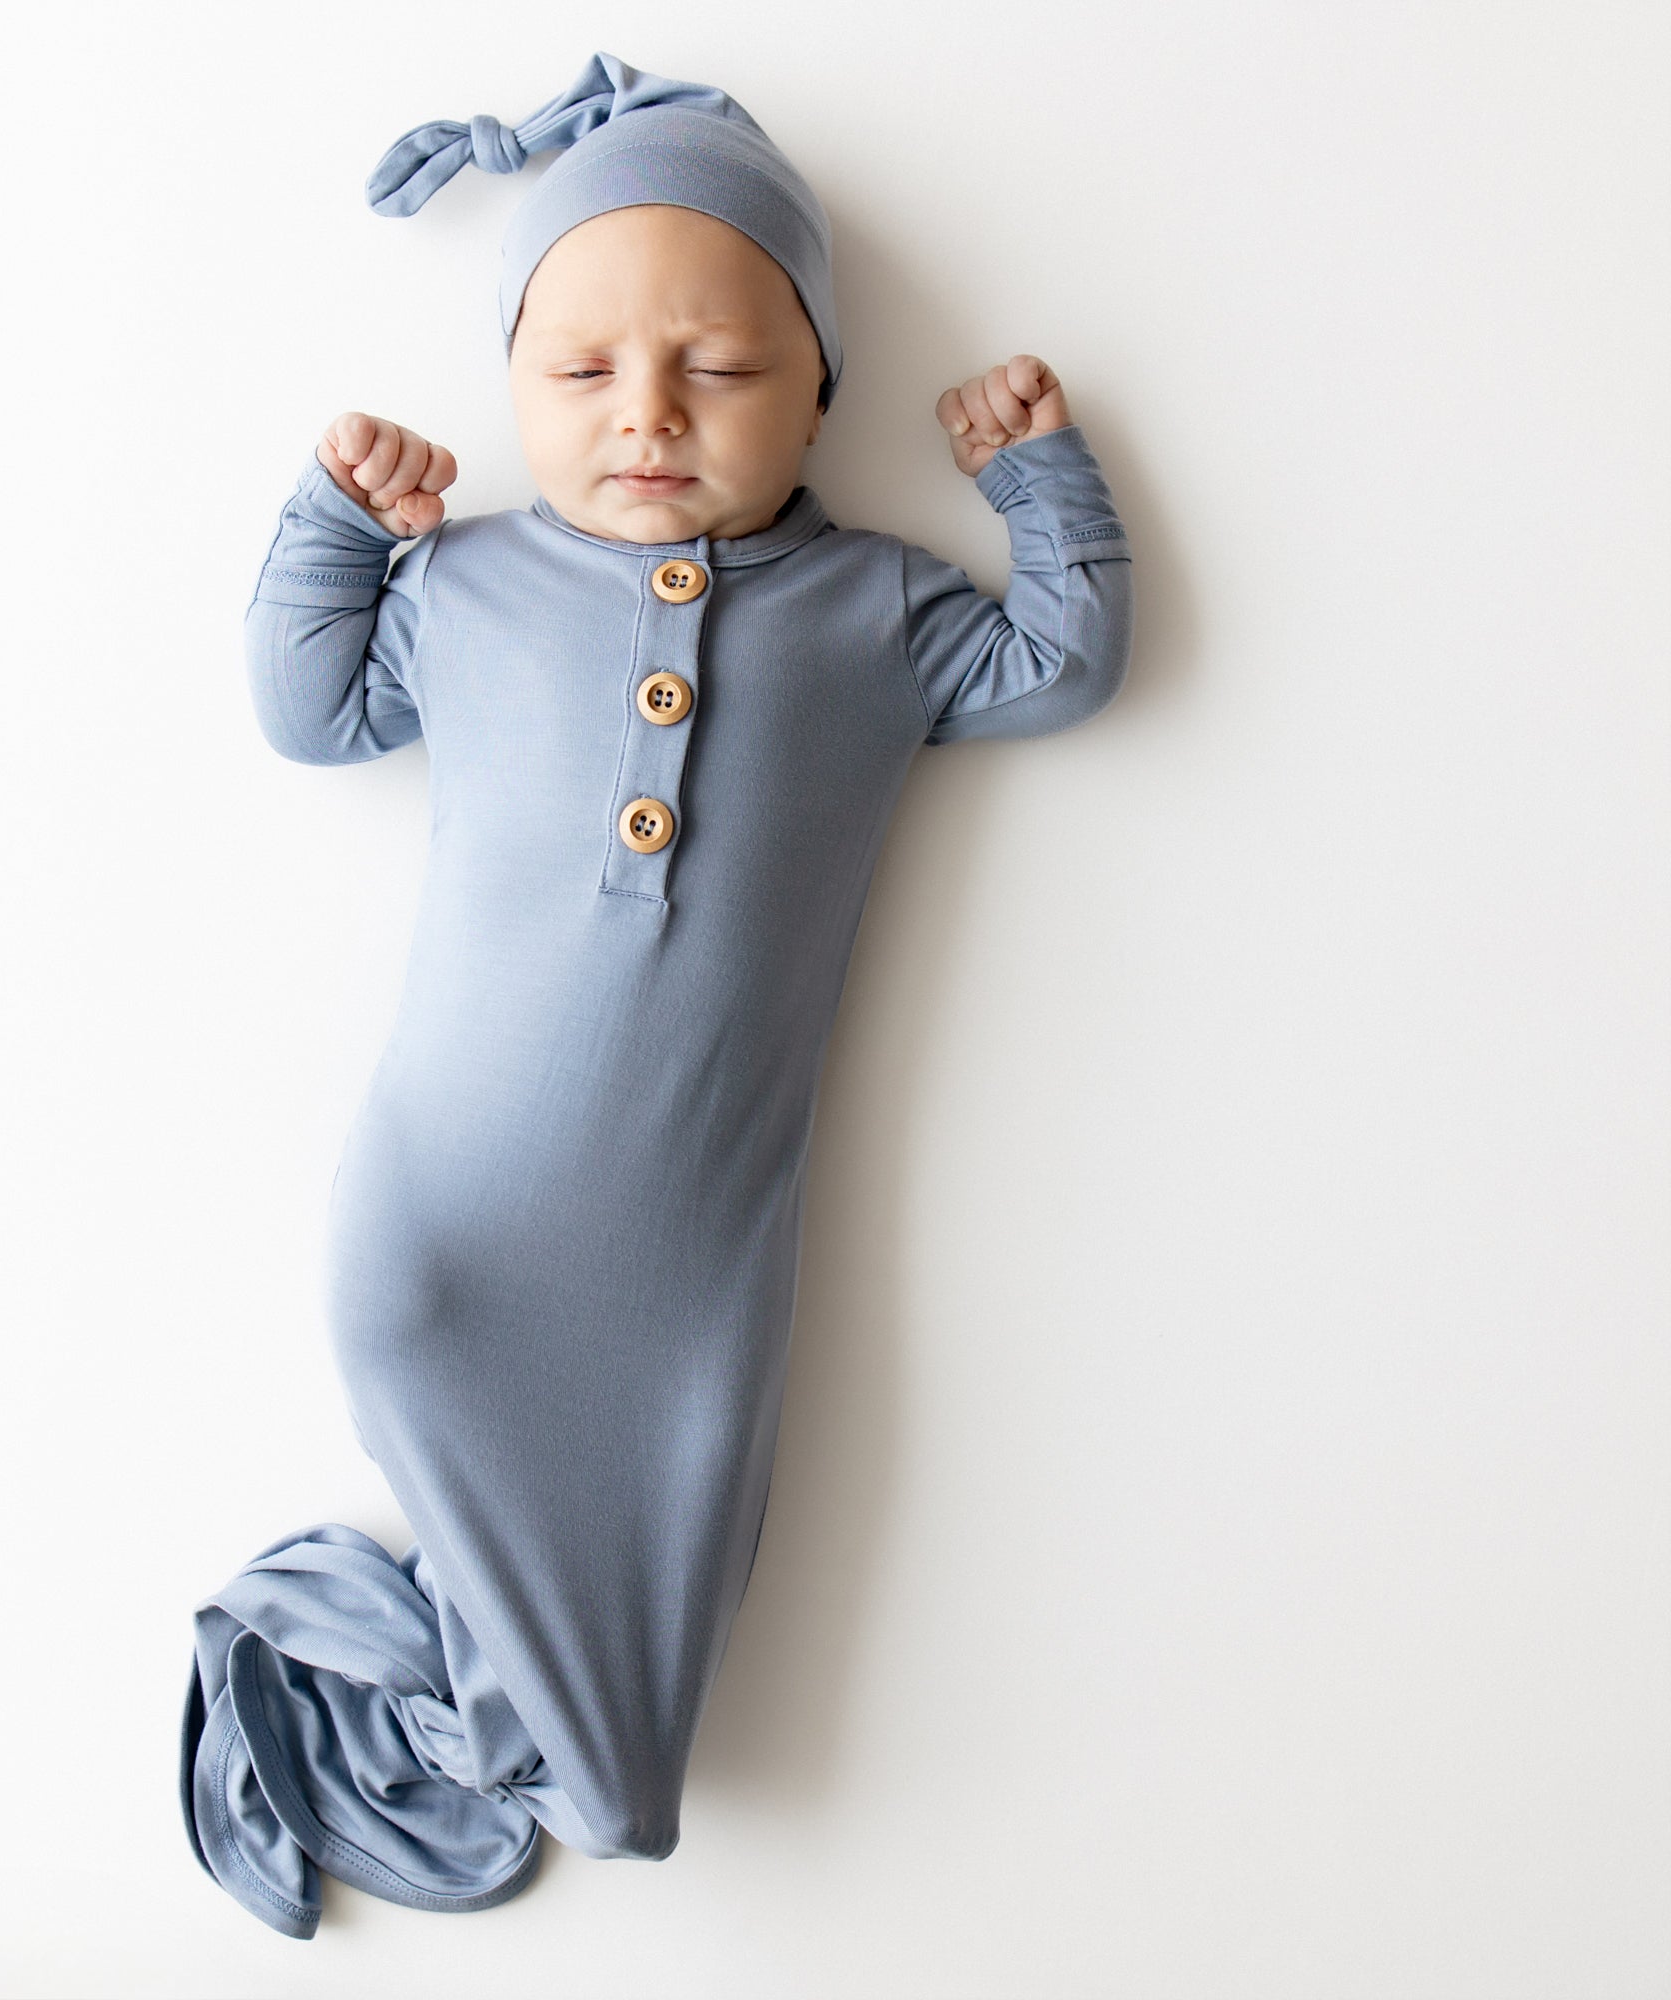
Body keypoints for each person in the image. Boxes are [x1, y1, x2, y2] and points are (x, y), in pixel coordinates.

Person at [182, 52, 1134, 1940]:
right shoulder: (463, 595)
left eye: (720, 371)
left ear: (819, 390)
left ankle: (411, 1685)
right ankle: (420, 1689)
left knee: (643, 1709)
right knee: (480, 1497)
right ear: (517, 386)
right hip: (437, 1212)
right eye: (583, 372)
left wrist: (1032, 471)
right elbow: (306, 715)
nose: (649, 416)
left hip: (694, 1263)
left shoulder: (879, 615)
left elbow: (1067, 658)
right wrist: (336, 519)